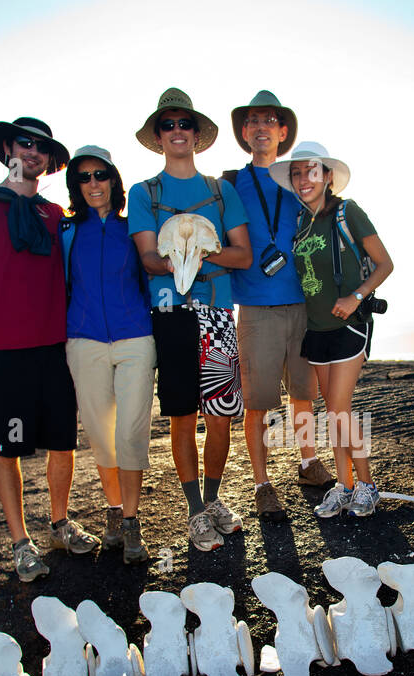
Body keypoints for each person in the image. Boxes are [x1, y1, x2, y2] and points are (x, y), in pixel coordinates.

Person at [0, 116, 101, 581]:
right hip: (1, 351)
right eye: (25, 143)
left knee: (62, 443)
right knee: (6, 448)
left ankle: (60, 523)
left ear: (50, 161)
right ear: (8, 147)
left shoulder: (56, 218)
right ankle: (20, 543)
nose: (33, 152)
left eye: (42, 148)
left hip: (55, 348)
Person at [128, 89, 252, 551]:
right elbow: (149, 260)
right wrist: (199, 256)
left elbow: (243, 255)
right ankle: (194, 511)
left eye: (185, 124)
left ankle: (216, 499)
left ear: (197, 135)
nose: (177, 131)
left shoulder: (221, 191)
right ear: (158, 136)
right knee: (182, 417)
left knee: (220, 418)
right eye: (168, 125)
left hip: (218, 313)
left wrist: (193, 253)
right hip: (170, 314)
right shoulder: (145, 193)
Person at [224, 91, 332, 523]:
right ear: (245, 132)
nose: (261, 127)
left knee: (304, 394)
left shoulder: (297, 179)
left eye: (270, 120)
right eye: (253, 121)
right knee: (258, 402)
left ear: (283, 131)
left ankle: (308, 464)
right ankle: (262, 484)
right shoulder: (230, 183)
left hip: (303, 304)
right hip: (255, 306)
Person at [270, 141, 394, 518]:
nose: (303, 178)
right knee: (332, 411)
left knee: (340, 411)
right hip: (316, 330)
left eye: (311, 170)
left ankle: (367, 486)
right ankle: (345, 487)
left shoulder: (346, 212)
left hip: (349, 327)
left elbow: (385, 264)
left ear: (327, 176)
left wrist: (357, 296)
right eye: (296, 172)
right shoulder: (300, 223)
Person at [59, 145, 154, 565]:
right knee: (101, 435)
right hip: (84, 341)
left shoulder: (133, 227)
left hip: (135, 337)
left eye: (101, 175)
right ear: (76, 186)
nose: (94, 183)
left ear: (114, 180)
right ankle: (113, 512)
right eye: (85, 177)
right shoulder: (65, 232)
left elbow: (153, 274)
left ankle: (131, 523)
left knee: (130, 432)